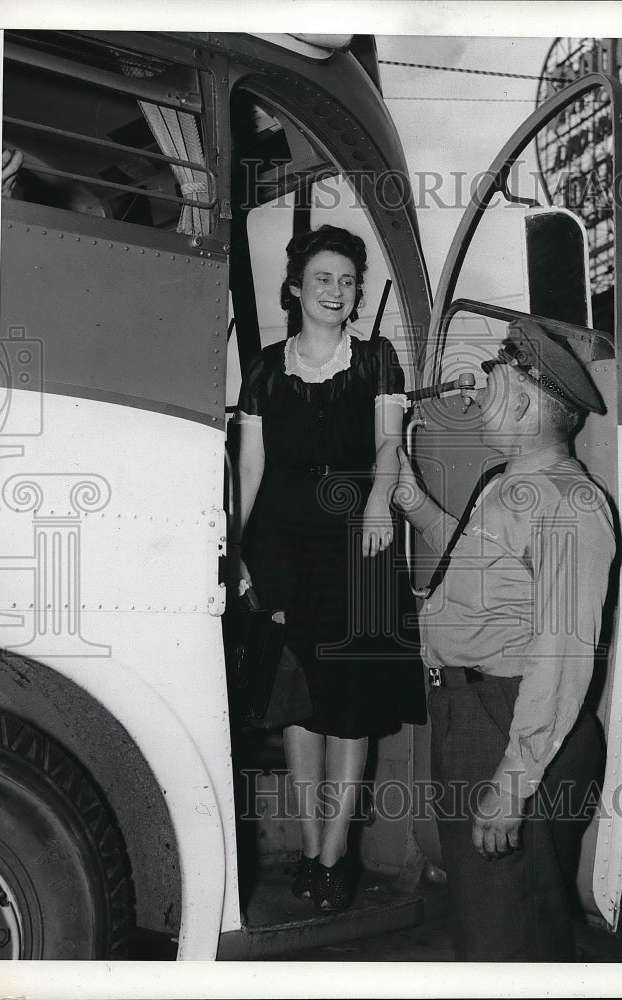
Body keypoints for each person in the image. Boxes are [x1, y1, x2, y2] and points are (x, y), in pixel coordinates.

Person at [394, 317, 617, 961]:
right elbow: (478, 569)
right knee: (491, 918)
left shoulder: (569, 507)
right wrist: (413, 501)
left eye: (493, 379)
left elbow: (561, 658)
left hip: (512, 722)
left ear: (521, 400)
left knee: (507, 936)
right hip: (472, 714)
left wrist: (512, 784)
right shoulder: (508, 482)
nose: (479, 389)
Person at [232, 224, 426, 911]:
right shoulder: (263, 369)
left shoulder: (376, 361)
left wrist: (378, 503)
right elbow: (250, 469)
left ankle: (335, 855)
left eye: (347, 281)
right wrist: (235, 550)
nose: (335, 291)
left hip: (357, 542)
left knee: (350, 705)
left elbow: (387, 445)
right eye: (322, 279)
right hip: (283, 547)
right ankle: (312, 847)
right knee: (299, 705)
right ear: (294, 289)